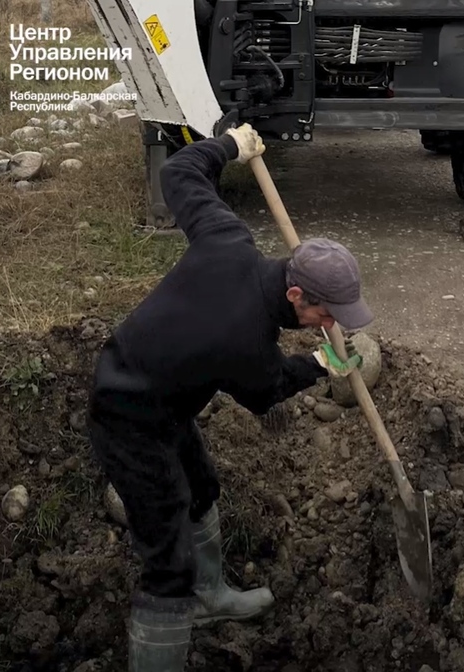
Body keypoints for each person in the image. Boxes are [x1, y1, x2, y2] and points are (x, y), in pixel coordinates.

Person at [84, 122, 375, 671]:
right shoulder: (246, 342)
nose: (329, 324)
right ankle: (170, 632)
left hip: (163, 397)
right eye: (324, 315)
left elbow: (180, 170)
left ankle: (212, 598)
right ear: (296, 294)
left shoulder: (229, 238)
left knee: (201, 488)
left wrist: (229, 148)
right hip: (126, 415)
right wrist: (320, 364)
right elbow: (269, 391)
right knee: (166, 563)